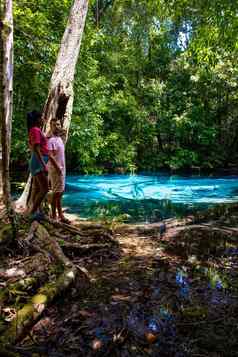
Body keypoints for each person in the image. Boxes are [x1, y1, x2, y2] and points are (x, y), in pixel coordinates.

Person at [27, 110, 49, 220]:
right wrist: (43, 164)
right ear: (37, 119)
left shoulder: (35, 130)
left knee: (38, 188)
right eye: (41, 117)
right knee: (45, 189)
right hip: (38, 162)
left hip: (37, 162)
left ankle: (36, 212)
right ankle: (32, 213)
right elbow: (36, 148)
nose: (43, 119)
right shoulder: (35, 130)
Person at [47, 118, 70, 223]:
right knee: (56, 193)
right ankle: (53, 216)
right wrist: (58, 168)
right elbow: (50, 156)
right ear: (50, 127)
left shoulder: (59, 139)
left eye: (58, 124)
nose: (56, 126)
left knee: (60, 193)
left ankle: (60, 215)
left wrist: (62, 168)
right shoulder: (51, 140)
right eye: (54, 125)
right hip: (56, 170)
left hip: (62, 169)